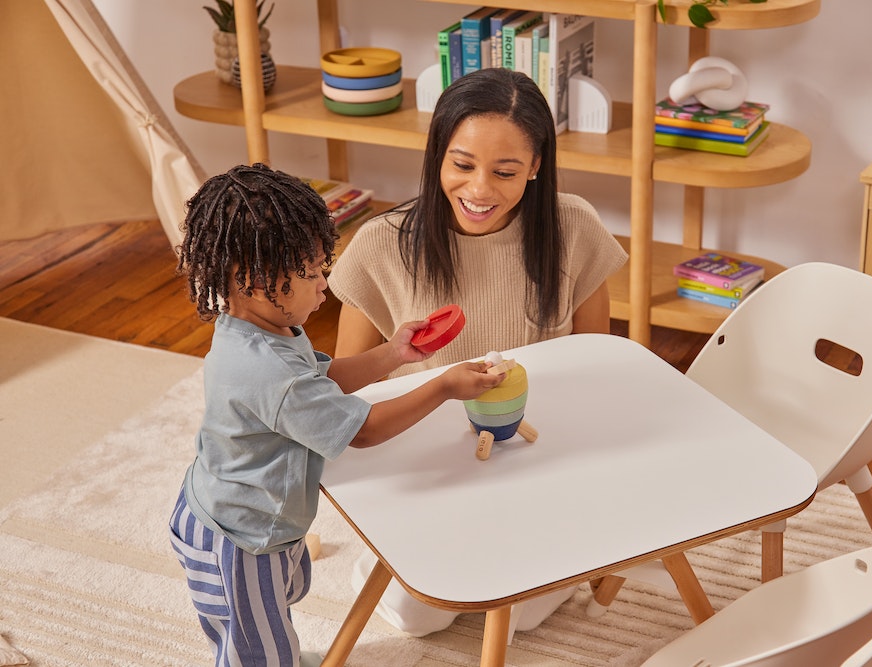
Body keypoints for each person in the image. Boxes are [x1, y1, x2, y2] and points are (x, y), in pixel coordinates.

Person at [327, 68, 628, 635]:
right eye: (462, 165)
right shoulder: (380, 245)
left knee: (512, 612)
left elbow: (598, 366)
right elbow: (344, 391)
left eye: (506, 171)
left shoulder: (574, 228)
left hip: (531, 458)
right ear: (438, 154)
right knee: (419, 615)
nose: (480, 190)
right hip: (424, 465)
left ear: (536, 166)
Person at [168, 163, 504, 667]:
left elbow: (318, 383)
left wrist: (393, 354)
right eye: (310, 274)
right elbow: (363, 431)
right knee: (256, 653)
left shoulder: (262, 330)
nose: (324, 285)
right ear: (257, 282)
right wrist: (443, 386)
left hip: (237, 514)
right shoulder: (265, 370)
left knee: (271, 617)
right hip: (240, 538)